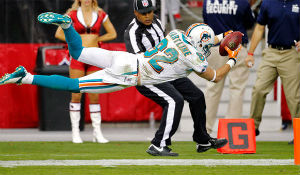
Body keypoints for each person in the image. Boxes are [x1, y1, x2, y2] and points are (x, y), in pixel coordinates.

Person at [0, 12, 242, 153]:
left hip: (124, 59)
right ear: (202, 44)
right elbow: (215, 76)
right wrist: (232, 59)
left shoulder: (177, 34)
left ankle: (68, 26)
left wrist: (221, 37)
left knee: (78, 52)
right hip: (129, 75)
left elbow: (200, 41)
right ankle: (28, 77)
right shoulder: (195, 56)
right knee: (75, 86)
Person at [124, 0, 221, 157]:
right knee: (175, 100)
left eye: (150, 11)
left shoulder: (157, 22)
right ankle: (158, 144)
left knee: (197, 96)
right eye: (143, 13)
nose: (148, 16)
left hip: (167, 69)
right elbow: (138, 63)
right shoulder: (132, 32)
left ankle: (202, 140)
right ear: (135, 13)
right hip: (147, 75)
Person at [55, 0, 117, 144]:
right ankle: (75, 133)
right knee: (76, 93)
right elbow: (58, 33)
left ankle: (97, 132)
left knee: (95, 94)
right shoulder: (71, 14)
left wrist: (97, 39)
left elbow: (112, 33)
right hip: (78, 56)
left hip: (95, 56)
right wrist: (73, 40)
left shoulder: (101, 14)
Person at [244, 0, 300, 142]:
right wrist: (250, 53)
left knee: (294, 97)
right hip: (271, 52)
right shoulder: (268, 3)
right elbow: (259, 28)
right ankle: (253, 128)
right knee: (258, 89)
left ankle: (299, 133)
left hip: (292, 53)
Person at [202, 0, 255, 134]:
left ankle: (205, 130)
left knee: (212, 88)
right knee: (237, 88)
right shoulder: (242, 2)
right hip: (237, 46)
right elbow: (250, 23)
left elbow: (206, 21)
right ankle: (231, 131)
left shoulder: (208, 1)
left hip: (215, 47)